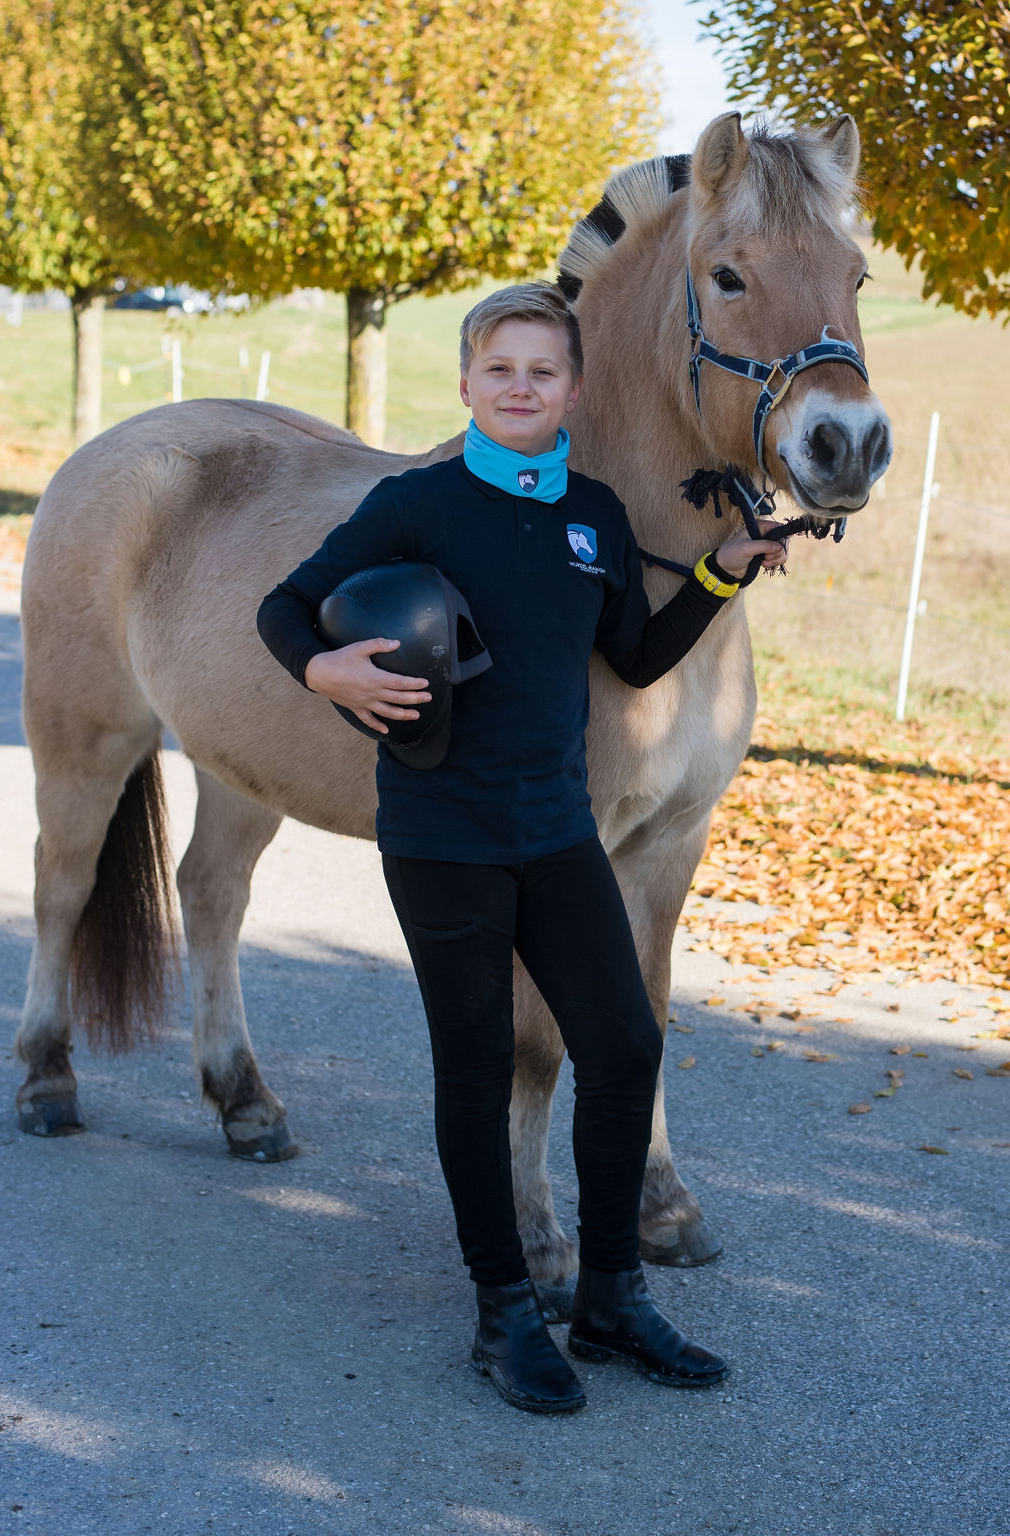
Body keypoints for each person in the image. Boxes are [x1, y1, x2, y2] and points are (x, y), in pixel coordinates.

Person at [257, 282, 785, 1414]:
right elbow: (285, 607)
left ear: (573, 391)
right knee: (478, 1064)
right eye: (499, 368)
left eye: (542, 371)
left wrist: (718, 573)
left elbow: (634, 657)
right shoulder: (415, 503)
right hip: (442, 834)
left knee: (624, 1045)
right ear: (466, 382)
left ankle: (609, 1297)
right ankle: (502, 1312)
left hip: (554, 829)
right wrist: (324, 669)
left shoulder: (592, 514)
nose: (519, 387)